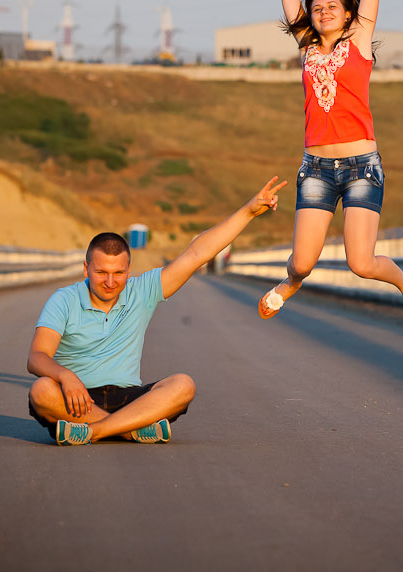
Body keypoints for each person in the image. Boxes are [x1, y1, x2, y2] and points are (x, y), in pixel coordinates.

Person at [258, 0, 403, 329]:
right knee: (300, 262)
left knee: (361, 262)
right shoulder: (307, 48)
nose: (322, 11)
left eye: (332, 6)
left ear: (349, 13)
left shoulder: (359, 41)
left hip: (361, 166)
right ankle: (291, 283)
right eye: (316, 9)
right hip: (316, 166)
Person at [27, 176, 288, 445]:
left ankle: (93, 431)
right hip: (77, 397)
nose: (110, 282)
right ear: (86, 269)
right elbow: (37, 357)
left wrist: (247, 212)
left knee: (183, 385)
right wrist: (66, 377)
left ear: (129, 270)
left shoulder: (142, 290)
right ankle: (130, 429)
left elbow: (197, 254)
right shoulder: (64, 299)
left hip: (130, 397)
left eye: (118, 273)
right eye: (101, 272)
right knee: (42, 390)